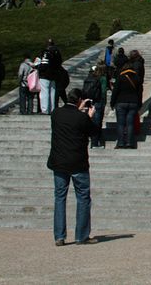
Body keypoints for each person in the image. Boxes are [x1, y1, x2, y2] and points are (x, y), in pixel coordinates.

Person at [47, 88, 97, 245]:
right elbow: (94, 132)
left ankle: (59, 236)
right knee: (82, 198)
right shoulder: (81, 118)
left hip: (59, 161)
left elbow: (68, 121)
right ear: (80, 101)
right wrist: (88, 117)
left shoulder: (56, 114)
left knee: (60, 198)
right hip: (77, 161)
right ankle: (81, 235)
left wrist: (79, 111)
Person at [111, 59, 142, 149]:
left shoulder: (120, 77)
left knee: (120, 123)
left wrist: (112, 103)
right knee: (130, 123)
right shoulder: (137, 78)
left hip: (121, 102)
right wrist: (139, 103)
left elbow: (115, 91)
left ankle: (120, 142)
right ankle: (130, 143)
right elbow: (140, 92)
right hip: (133, 102)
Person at [38, 40, 63, 115]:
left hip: (45, 74)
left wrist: (38, 68)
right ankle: (52, 109)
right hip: (54, 74)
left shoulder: (46, 52)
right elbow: (59, 62)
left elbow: (43, 64)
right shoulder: (57, 52)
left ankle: (45, 110)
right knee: (52, 92)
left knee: (44, 92)